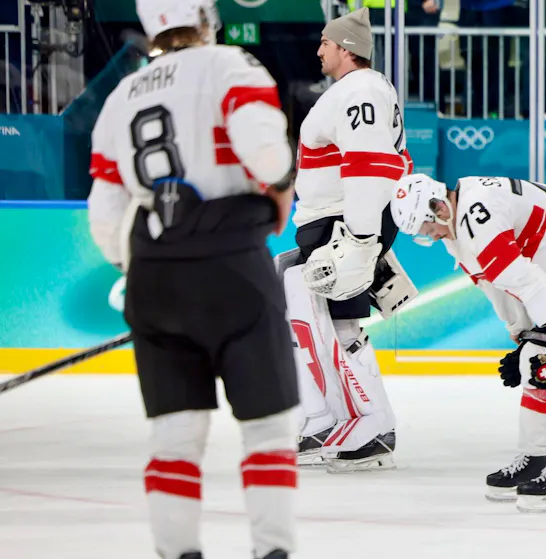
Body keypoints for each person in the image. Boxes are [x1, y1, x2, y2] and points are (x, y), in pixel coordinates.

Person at [86, 1, 299, 558]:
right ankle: (271, 551)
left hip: (154, 276)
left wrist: (142, 272)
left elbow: (106, 216)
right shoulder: (230, 65)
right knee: (268, 431)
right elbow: (265, 151)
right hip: (233, 267)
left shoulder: (117, 98)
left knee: (174, 438)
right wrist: (280, 185)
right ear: (205, 16)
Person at [390, 174, 546, 512]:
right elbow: (493, 282)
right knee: (533, 358)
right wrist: (522, 333)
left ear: (437, 205)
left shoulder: (479, 213)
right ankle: (536, 459)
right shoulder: (456, 228)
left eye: (424, 227)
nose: (428, 236)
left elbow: (522, 276)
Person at [276, 7, 416, 473]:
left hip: (343, 222)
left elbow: (368, 166)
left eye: (325, 43)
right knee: (318, 316)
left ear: (346, 49)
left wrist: (359, 238)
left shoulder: (362, 91)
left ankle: (368, 424)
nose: (318, 51)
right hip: (338, 221)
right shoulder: (356, 92)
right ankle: (331, 418)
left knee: (331, 322)